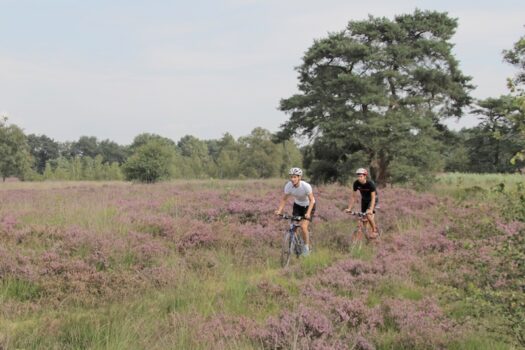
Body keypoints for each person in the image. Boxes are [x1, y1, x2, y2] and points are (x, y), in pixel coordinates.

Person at [275, 167, 316, 256]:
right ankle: (297, 247)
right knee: (294, 226)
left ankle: (306, 248)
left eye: (295, 177)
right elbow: (284, 199)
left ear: (299, 177)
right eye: (291, 177)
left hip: (309, 206)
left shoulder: (306, 186)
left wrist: (308, 213)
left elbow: (312, 200)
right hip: (297, 206)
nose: (292, 179)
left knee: (304, 226)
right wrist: (279, 210)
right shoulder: (288, 186)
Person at [344, 167, 379, 238]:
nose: (359, 178)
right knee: (363, 218)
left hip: (373, 199)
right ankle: (366, 236)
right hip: (364, 200)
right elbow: (353, 197)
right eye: (358, 176)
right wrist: (349, 208)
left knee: (368, 215)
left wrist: (371, 209)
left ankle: (375, 231)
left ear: (365, 176)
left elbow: (373, 198)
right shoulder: (356, 183)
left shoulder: (370, 184)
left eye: (361, 176)